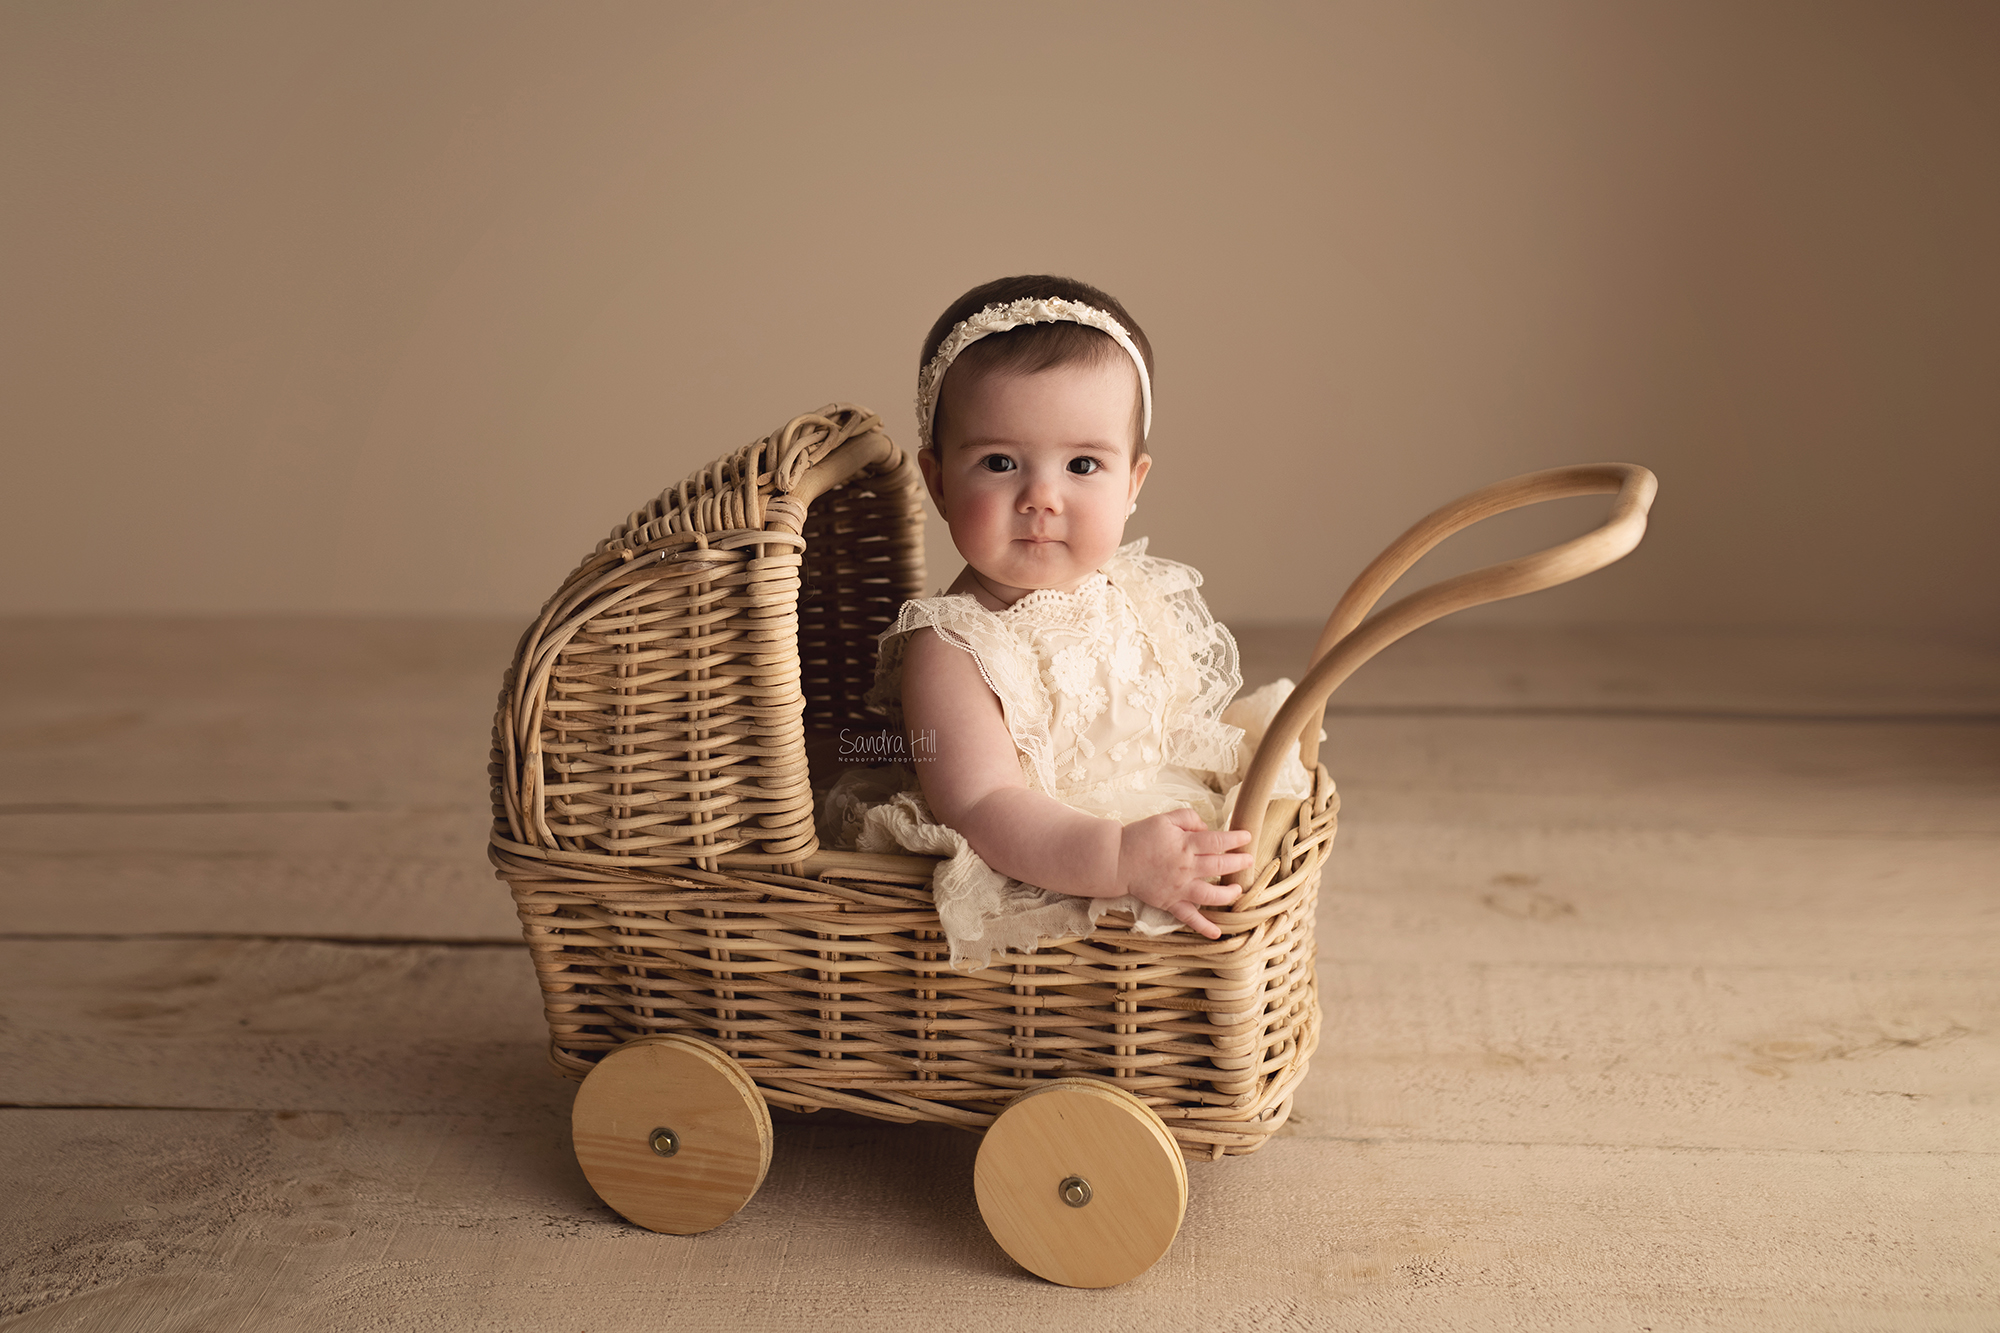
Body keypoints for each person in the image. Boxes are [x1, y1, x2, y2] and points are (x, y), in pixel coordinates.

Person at [824, 275, 1313, 968]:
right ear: (938, 483)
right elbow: (983, 804)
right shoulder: (952, 645)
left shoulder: (1131, 587)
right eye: (999, 462)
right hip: (1049, 853)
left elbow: (1167, 726)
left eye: (1083, 464)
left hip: (1150, 808)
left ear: (1133, 483)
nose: (1042, 498)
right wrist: (1117, 858)